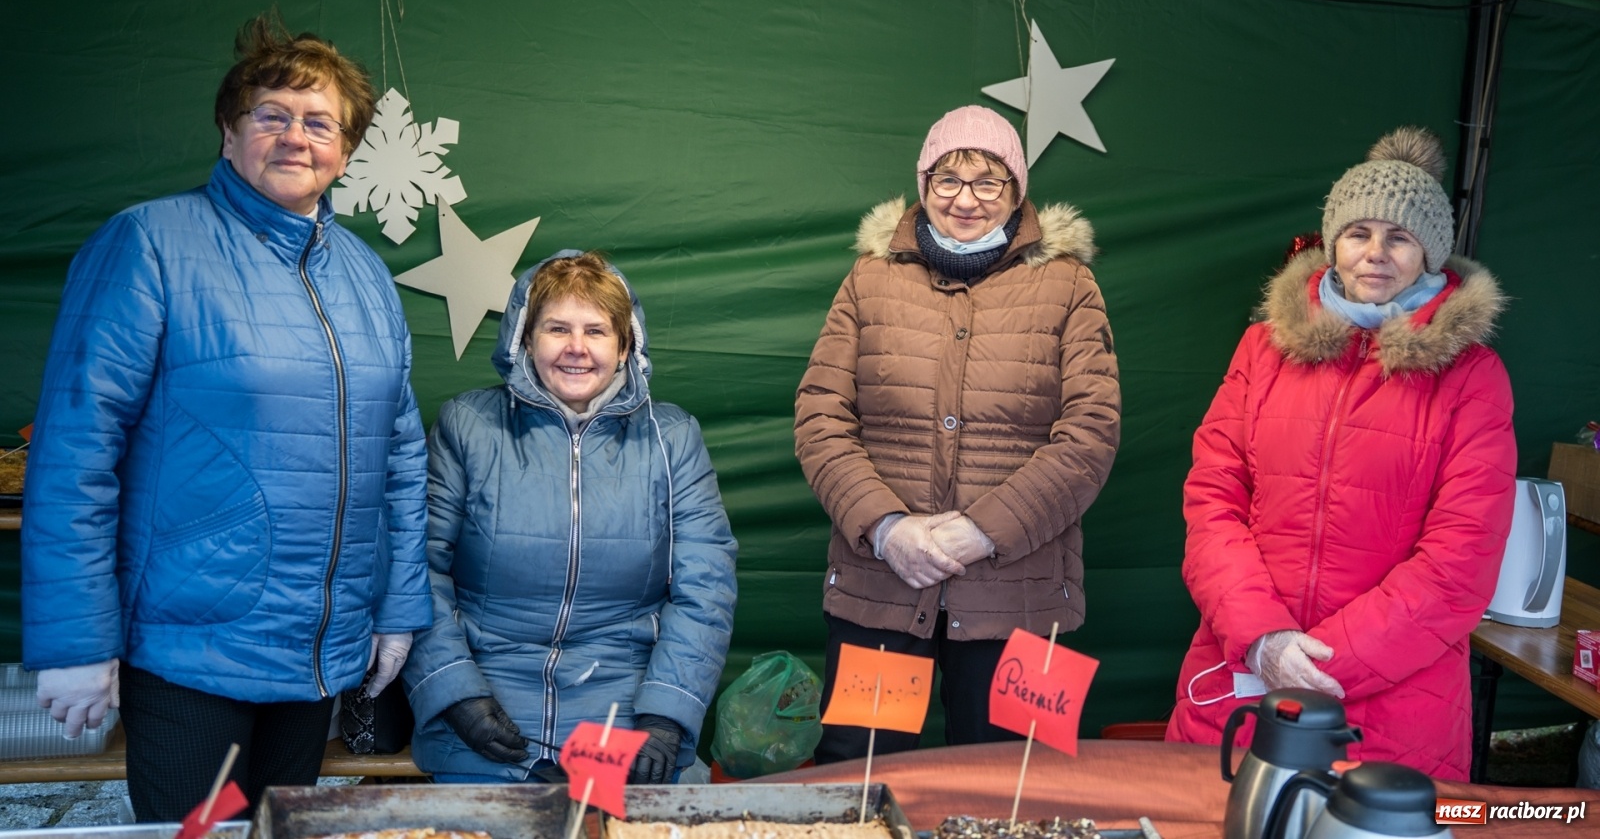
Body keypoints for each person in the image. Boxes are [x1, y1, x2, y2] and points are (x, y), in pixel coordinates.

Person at [21, 14, 429, 819]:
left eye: (319, 122)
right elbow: (74, 451)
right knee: (196, 836)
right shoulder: (148, 243)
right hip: (191, 652)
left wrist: (397, 609)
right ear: (228, 131)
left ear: (346, 150)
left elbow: (401, 458)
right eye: (271, 114)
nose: (295, 136)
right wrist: (76, 641)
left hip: (315, 655)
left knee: (279, 832)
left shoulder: (366, 274)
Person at [1165, 128, 1516, 780]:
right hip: (1244, 674)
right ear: (1333, 242)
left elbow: (1462, 558)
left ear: (1430, 253)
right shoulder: (1262, 349)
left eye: (1399, 237)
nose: (1375, 252)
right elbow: (1213, 498)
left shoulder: (1473, 375)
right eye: (1358, 233)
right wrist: (1263, 639)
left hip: (1392, 709)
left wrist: (1320, 665)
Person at [795, 105, 1121, 762]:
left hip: (1025, 599)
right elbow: (820, 417)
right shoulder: (870, 278)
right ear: (924, 185)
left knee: (1018, 788)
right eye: (947, 179)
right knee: (864, 774)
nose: (965, 199)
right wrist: (887, 528)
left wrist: (983, 531)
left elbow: (1090, 435)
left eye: (987, 181)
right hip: (881, 592)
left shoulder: (1070, 285)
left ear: (1016, 190)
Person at [404, 250, 737, 783]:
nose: (576, 347)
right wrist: (455, 693)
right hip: (489, 723)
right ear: (524, 340)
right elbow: (416, 570)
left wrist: (665, 714)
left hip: (624, 719)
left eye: (596, 331)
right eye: (557, 328)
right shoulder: (467, 425)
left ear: (625, 346)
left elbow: (707, 587)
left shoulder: (672, 438)